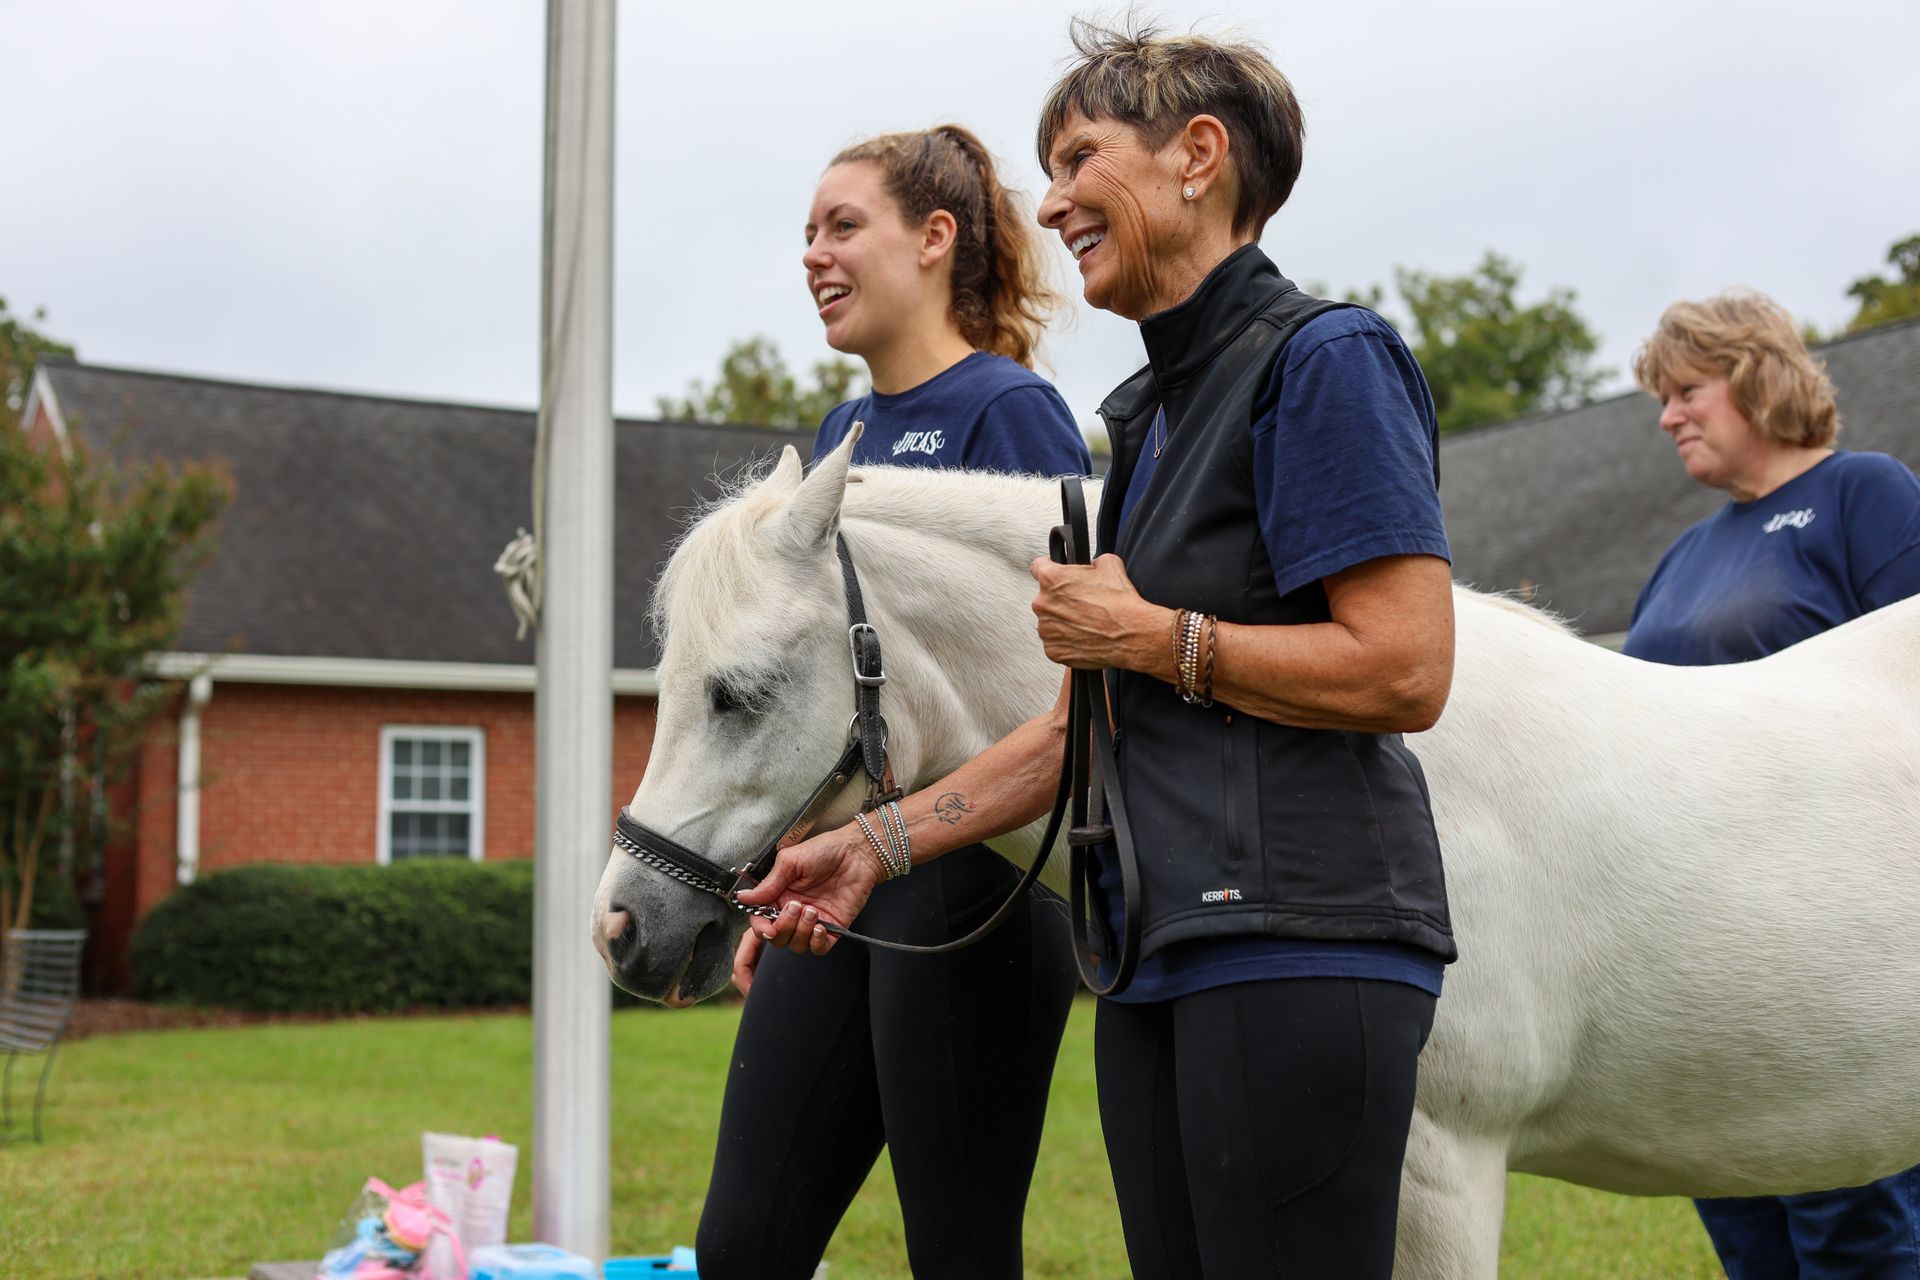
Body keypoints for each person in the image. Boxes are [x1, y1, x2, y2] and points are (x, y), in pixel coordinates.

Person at [743, 22, 1458, 1279]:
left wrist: (1152, 634)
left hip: (1295, 942)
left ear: (1199, 157)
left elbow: (1405, 668)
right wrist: (868, 845)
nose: (1055, 198)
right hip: (1156, 953)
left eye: (1079, 156)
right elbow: (1089, 727)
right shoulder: (1151, 417)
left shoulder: (1324, 357)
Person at [692, 124, 1090, 1280]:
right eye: (807, 232)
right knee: (742, 1245)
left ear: (934, 239)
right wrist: (789, 878)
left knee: (958, 1252)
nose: (815, 253)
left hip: (977, 886)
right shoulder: (839, 441)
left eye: (842, 224)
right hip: (846, 887)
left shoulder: (1014, 414)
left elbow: (1057, 691)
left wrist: (892, 835)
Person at [1624, 290, 1920, 1277]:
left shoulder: (1862, 494)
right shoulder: (1682, 554)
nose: (1667, 415)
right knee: (1745, 1223)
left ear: (1756, 377)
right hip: (1701, 958)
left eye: (1687, 389)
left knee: (1853, 1225)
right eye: (1661, 398)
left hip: (1830, 948)